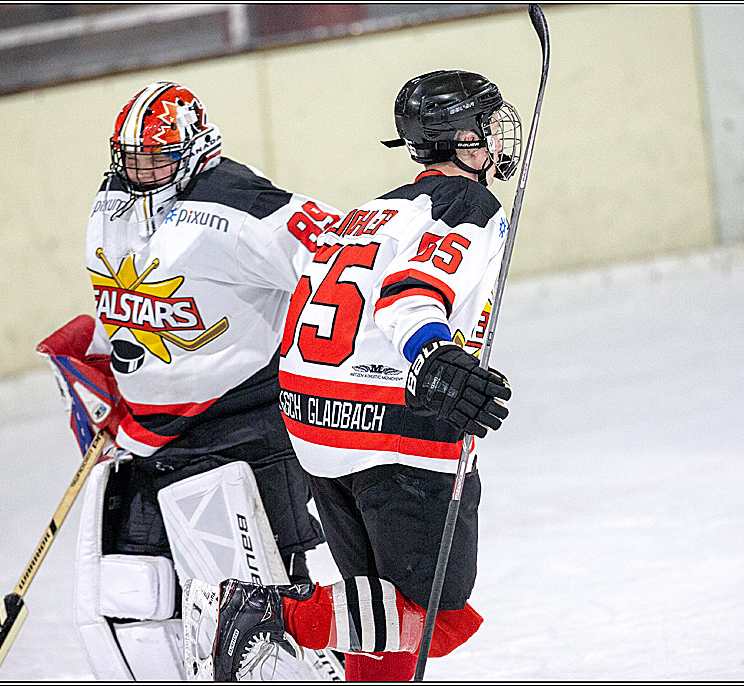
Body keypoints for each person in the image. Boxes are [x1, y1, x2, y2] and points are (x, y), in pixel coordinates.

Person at [207, 70, 519, 681]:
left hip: (313, 422)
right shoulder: (470, 205)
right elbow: (408, 298)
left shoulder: (371, 211)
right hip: (389, 432)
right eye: (484, 128)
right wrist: (437, 361)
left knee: (374, 616)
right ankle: (276, 616)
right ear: (461, 140)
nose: (494, 140)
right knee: (436, 615)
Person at [38, 81, 345, 680]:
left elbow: (339, 256)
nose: (140, 172)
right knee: (139, 602)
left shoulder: (235, 202)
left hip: (244, 431)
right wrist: (103, 354)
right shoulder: (112, 200)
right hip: (151, 439)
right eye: (130, 160)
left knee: (267, 611)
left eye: (157, 159)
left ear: (197, 150)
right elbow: (139, 300)